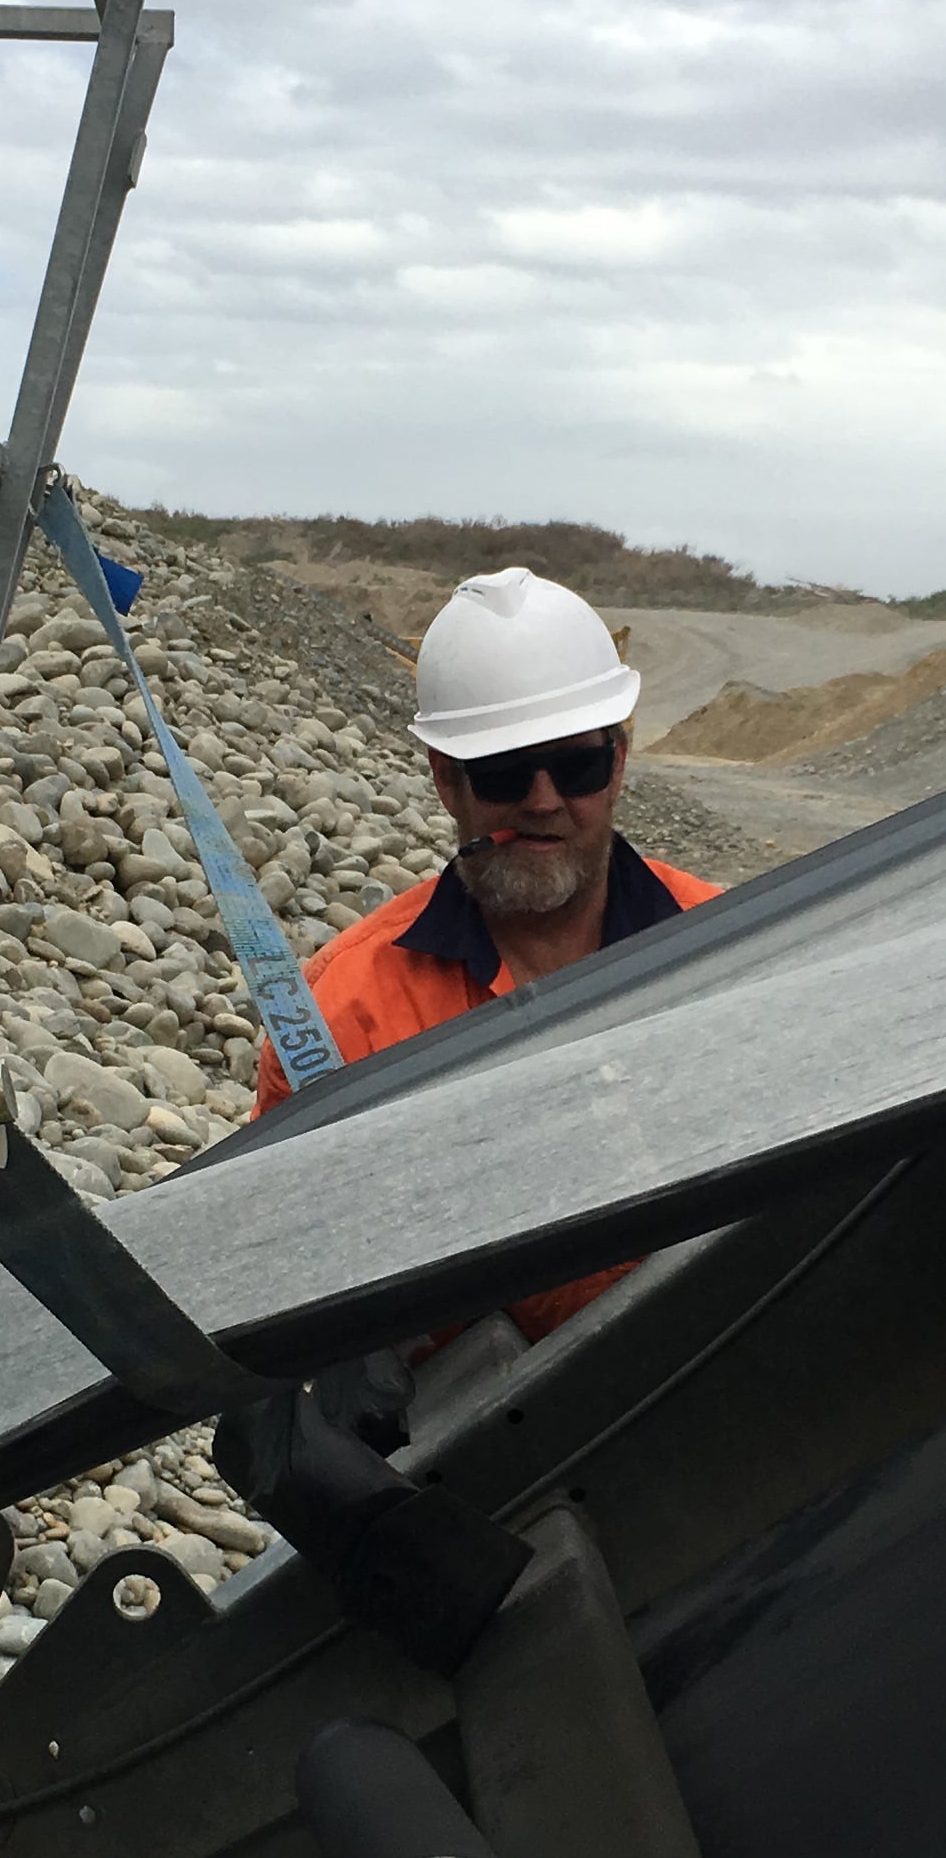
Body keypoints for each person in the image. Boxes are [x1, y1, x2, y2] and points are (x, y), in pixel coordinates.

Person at [251, 566, 720, 1336]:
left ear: (620, 763)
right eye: (505, 773)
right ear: (446, 779)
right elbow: (283, 1273)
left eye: (576, 766)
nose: (543, 801)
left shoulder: (731, 946)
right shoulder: (342, 1017)